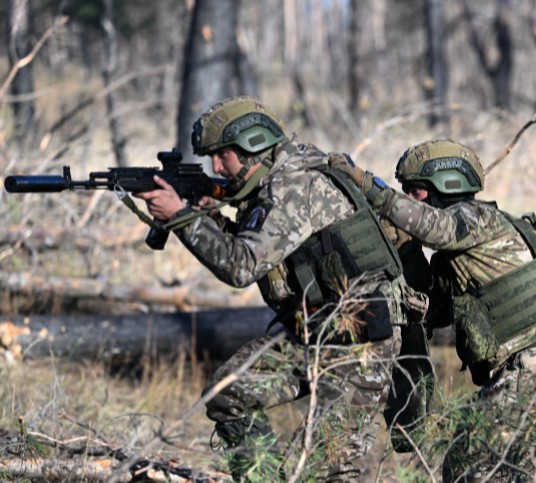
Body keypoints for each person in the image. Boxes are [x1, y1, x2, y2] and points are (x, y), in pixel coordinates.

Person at [133, 96, 421, 482]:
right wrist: (209, 218)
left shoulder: (293, 186)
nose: (216, 167)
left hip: (361, 338)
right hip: (316, 328)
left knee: (327, 467)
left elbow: (241, 266)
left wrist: (183, 218)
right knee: (229, 393)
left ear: (253, 146)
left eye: (223, 156)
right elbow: (266, 251)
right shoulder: (275, 182)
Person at [329, 139, 536, 479]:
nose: (410, 200)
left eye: (416, 192)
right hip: (534, 371)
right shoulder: (456, 256)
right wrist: (406, 254)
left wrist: (368, 186)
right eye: (405, 192)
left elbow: (435, 227)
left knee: (472, 466)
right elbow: (431, 312)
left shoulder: (475, 217)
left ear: (445, 186)